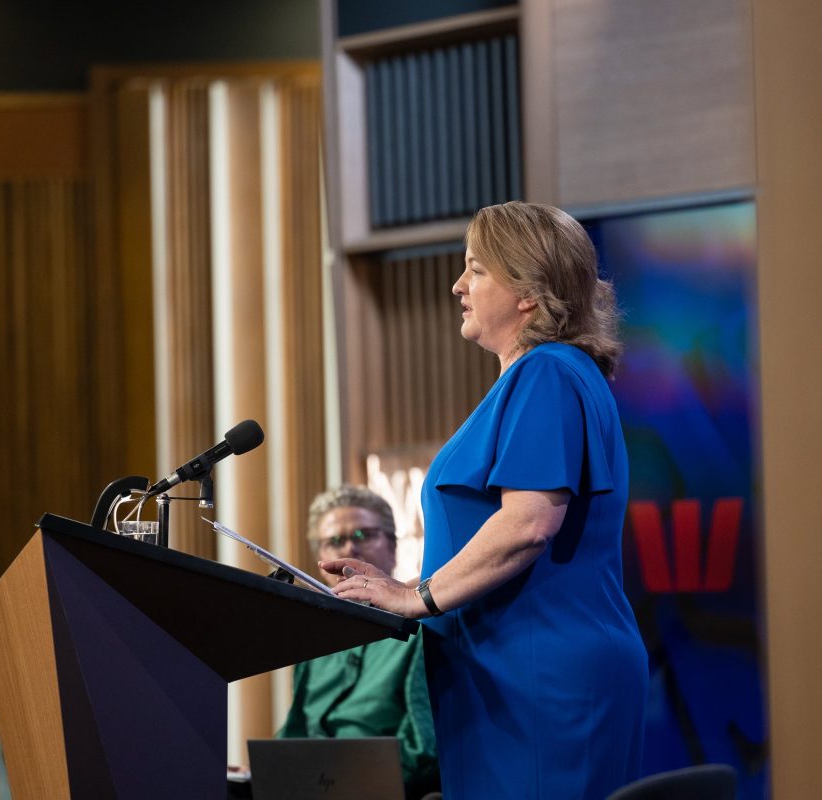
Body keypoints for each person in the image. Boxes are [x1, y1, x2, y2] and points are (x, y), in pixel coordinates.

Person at [323, 202, 648, 799]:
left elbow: (528, 523)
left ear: (527, 290)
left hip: (534, 676)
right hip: (505, 675)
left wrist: (416, 595)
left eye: (476, 269)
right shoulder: (547, 377)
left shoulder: (547, 373)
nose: (457, 285)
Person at [278, 485, 439, 800]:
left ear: (393, 547)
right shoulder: (312, 639)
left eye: (364, 535)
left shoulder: (420, 631)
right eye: (334, 541)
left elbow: (424, 750)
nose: (350, 547)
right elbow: (294, 734)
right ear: (320, 559)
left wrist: (338, 779)